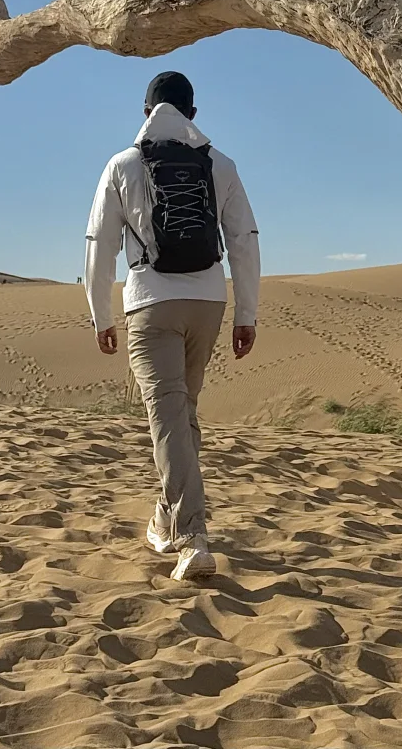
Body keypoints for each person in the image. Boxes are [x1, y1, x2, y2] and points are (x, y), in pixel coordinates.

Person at [84, 70, 260, 582]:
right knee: (180, 415)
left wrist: (100, 313)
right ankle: (165, 518)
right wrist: (246, 313)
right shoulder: (220, 165)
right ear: (193, 115)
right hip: (208, 302)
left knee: (166, 418)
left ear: (145, 113)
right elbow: (244, 240)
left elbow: (99, 245)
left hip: (150, 304)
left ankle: (193, 536)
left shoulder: (122, 165)